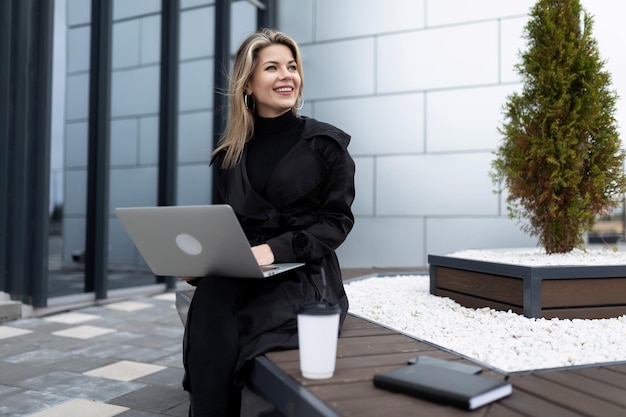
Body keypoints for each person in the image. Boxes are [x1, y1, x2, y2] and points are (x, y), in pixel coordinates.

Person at [179, 28, 356, 416]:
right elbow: (226, 226)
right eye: (272, 67)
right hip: (244, 270)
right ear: (248, 84)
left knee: (243, 321)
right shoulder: (229, 156)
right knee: (211, 298)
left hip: (305, 273)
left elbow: (336, 223)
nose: (286, 76)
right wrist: (203, 262)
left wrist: (271, 250)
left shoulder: (326, 145)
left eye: (291, 67)